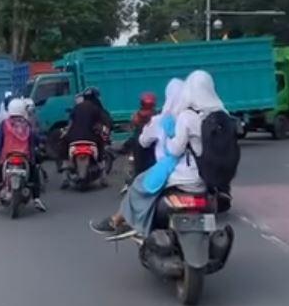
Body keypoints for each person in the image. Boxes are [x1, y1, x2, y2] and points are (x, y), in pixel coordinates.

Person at [91, 72, 225, 239]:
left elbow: (145, 142)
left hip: (176, 174)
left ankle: (121, 221)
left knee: (139, 187)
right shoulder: (202, 117)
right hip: (202, 176)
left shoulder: (164, 119)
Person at [0, 98, 46, 213]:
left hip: (7, 156)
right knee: (34, 174)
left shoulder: (5, 124)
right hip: (25, 156)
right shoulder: (27, 124)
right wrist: (42, 141)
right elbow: (35, 137)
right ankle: (37, 199)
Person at [58, 87, 112, 172]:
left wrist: (65, 133)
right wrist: (105, 134)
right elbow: (101, 125)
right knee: (101, 143)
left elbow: (70, 124)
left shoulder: (76, 108)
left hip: (73, 138)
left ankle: (65, 163)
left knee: (63, 142)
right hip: (90, 138)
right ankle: (101, 167)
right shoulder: (96, 109)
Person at [122, 92, 158, 192]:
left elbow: (132, 129)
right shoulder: (157, 116)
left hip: (139, 147)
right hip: (151, 148)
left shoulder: (136, 116)